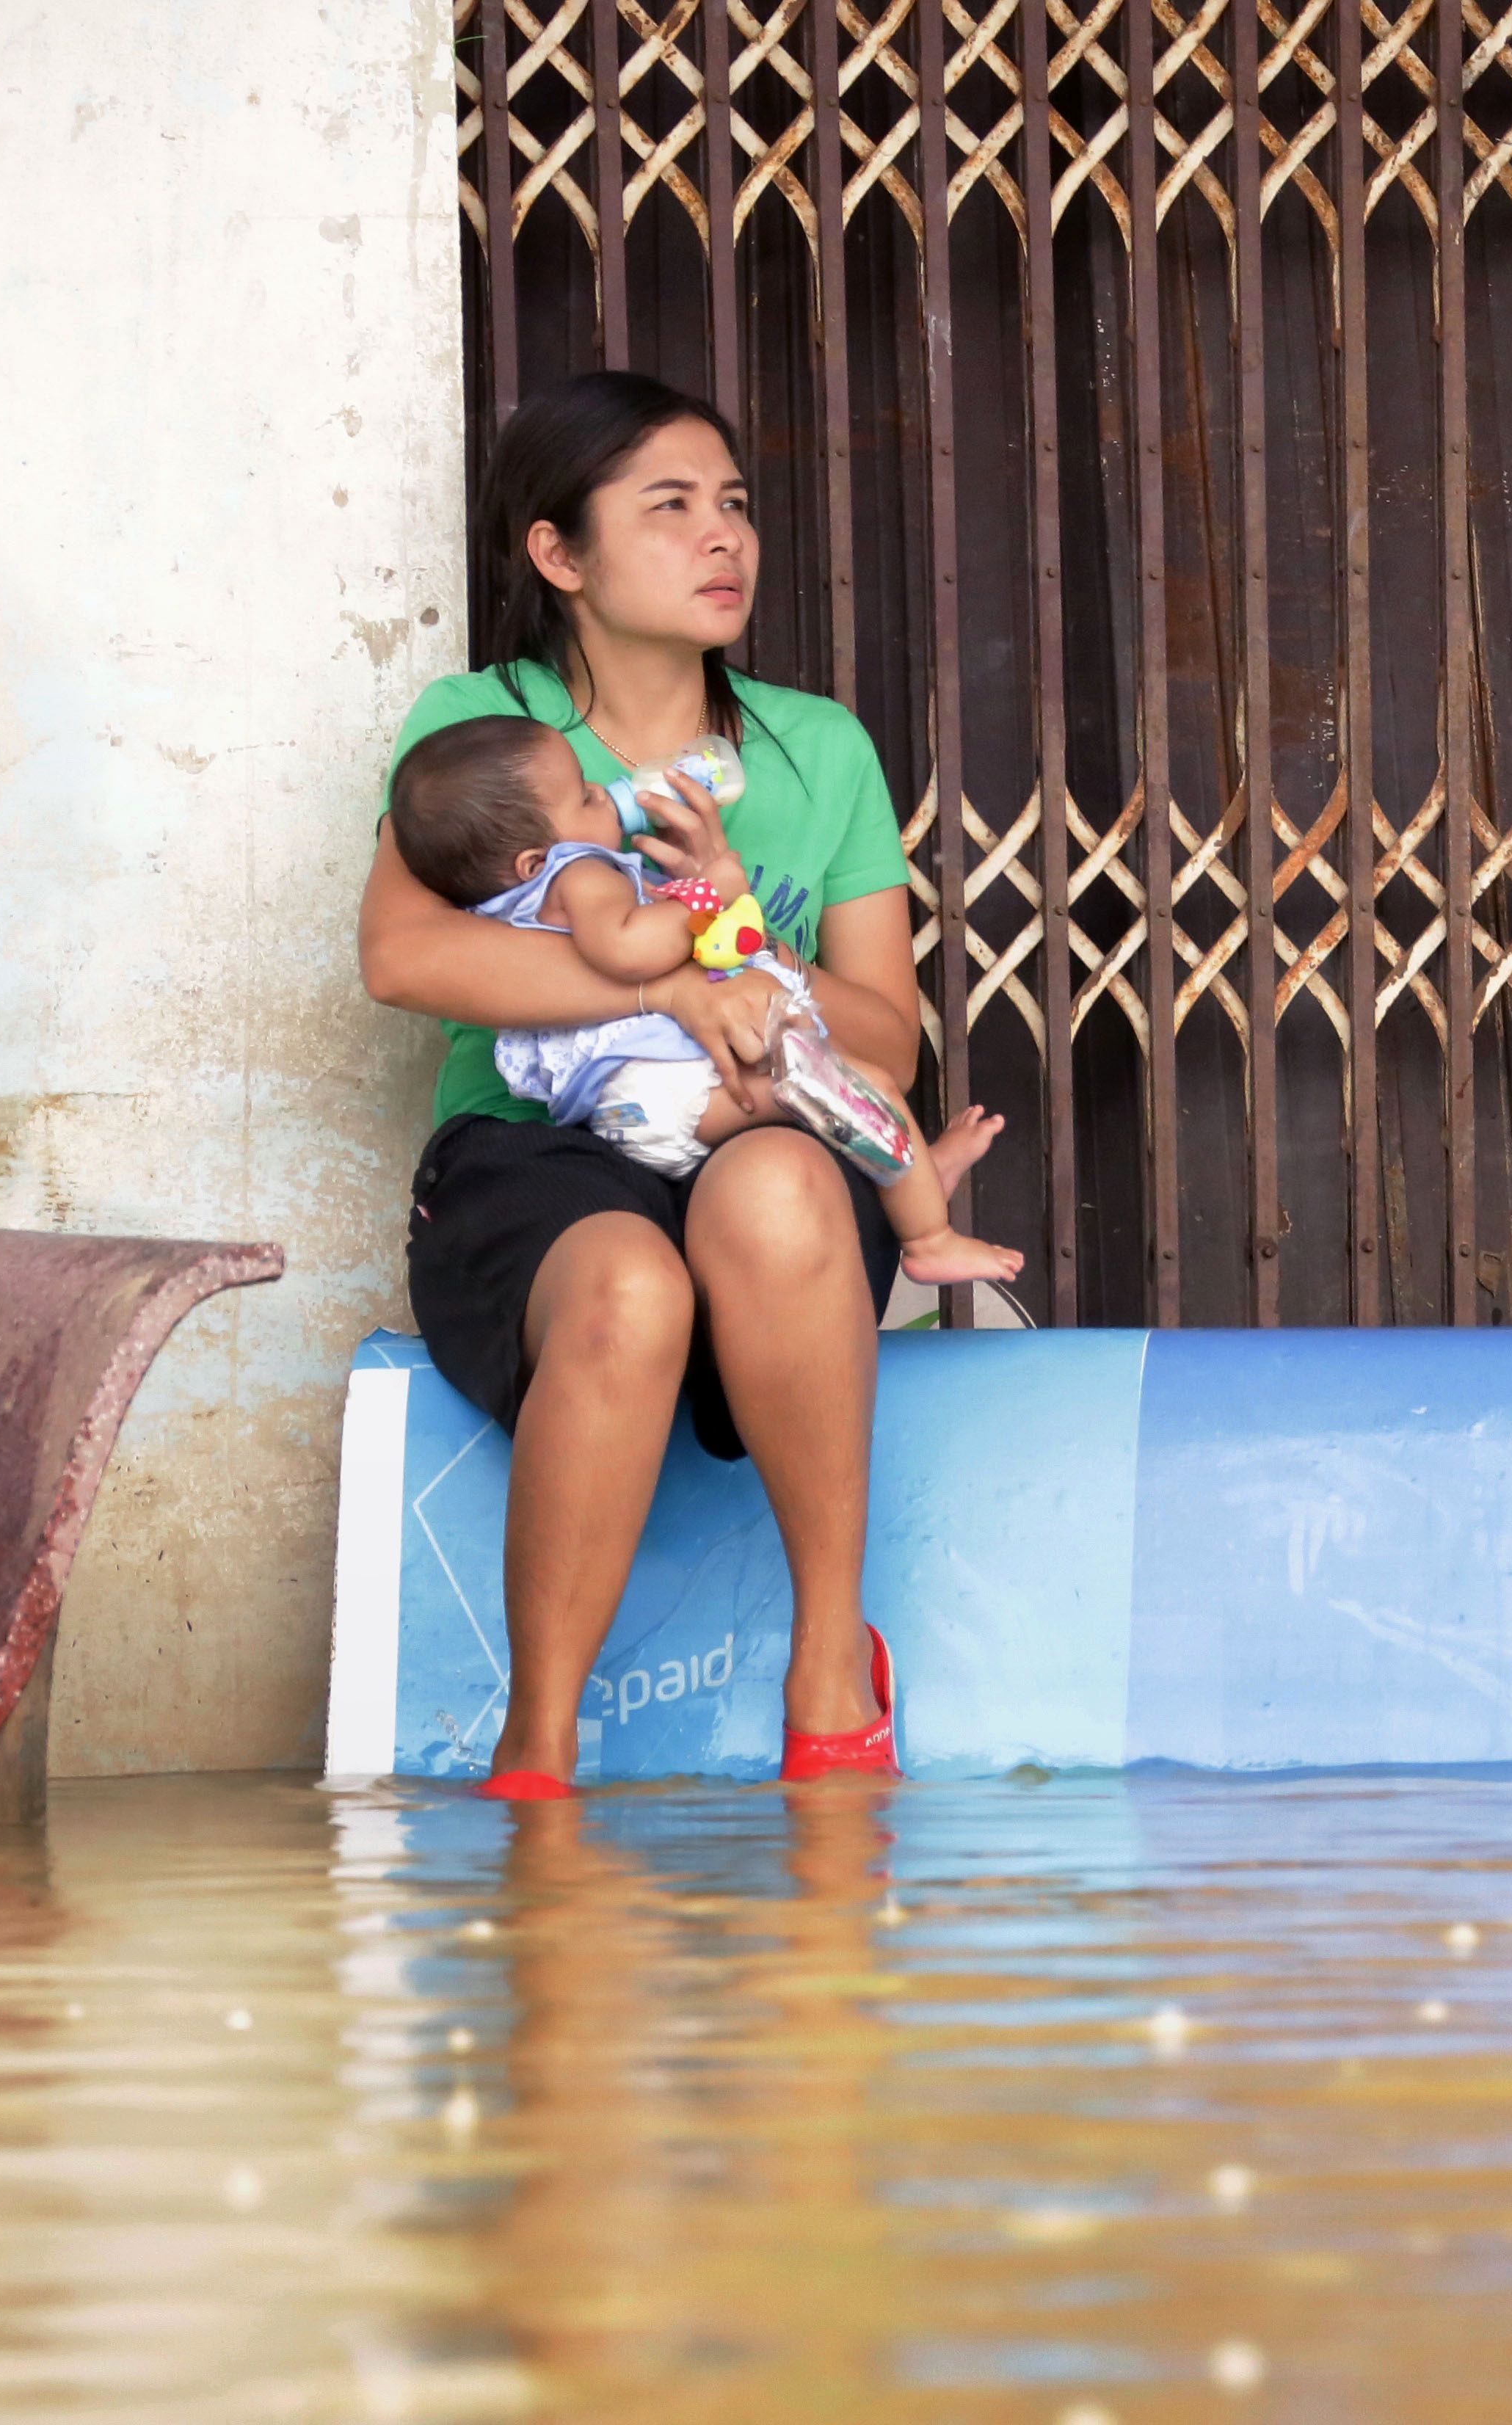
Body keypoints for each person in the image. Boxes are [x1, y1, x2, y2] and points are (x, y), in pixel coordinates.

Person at [363, 369, 959, 1798]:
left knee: (770, 1183)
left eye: (736, 505)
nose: (724, 538)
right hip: (539, 1156)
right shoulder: (483, 731)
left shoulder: (817, 749)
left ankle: (829, 1663)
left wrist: (749, 957)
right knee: (628, 1283)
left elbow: (889, 1043)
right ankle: (540, 1743)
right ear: (557, 554)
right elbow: (404, 956)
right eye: (672, 506)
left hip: (770, 1145)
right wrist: (669, 984)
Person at [385, 713, 1020, 1291]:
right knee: (845, 1089)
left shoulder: (520, 904)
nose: (606, 793)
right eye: (583, 795)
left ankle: (908, 1181)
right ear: (533, 860)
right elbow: (626, 950)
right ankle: (926, 1230)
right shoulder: (578, 872)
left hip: (642, 1100)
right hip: (658, 1098)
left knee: (840, 1081)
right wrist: (709, 891)